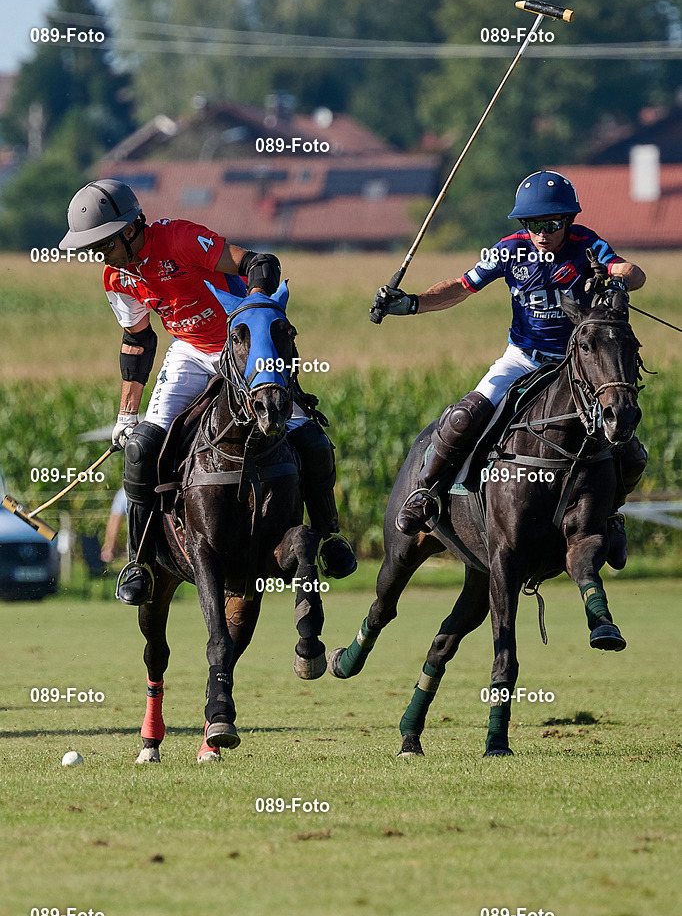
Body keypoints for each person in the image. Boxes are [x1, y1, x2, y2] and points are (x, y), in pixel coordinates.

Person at [59, 179, 356, 605]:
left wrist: (252, 312)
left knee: (310, 439)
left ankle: (329, 538)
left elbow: (257, 262)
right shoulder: (115, 277)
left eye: (101, 244)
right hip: (191, 350)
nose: (97, 255)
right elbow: (138, 341)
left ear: (129, 229)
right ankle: (139, 561)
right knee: (142, 448)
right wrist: (127, 414)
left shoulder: (179, 238)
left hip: (244, 350)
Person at [372, 170, 647, 567]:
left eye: (551, 224)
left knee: (632, 451)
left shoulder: (588, 244)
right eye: (533, 224)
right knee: (464, 415)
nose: (541, 233)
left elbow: (633, 273)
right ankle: (426, 492)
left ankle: (610, 514)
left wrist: (616, 277)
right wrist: (412, 303)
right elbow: (461, 286)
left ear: (568, 221)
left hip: (575, 366)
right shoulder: (509, 250)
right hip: (523, 357)